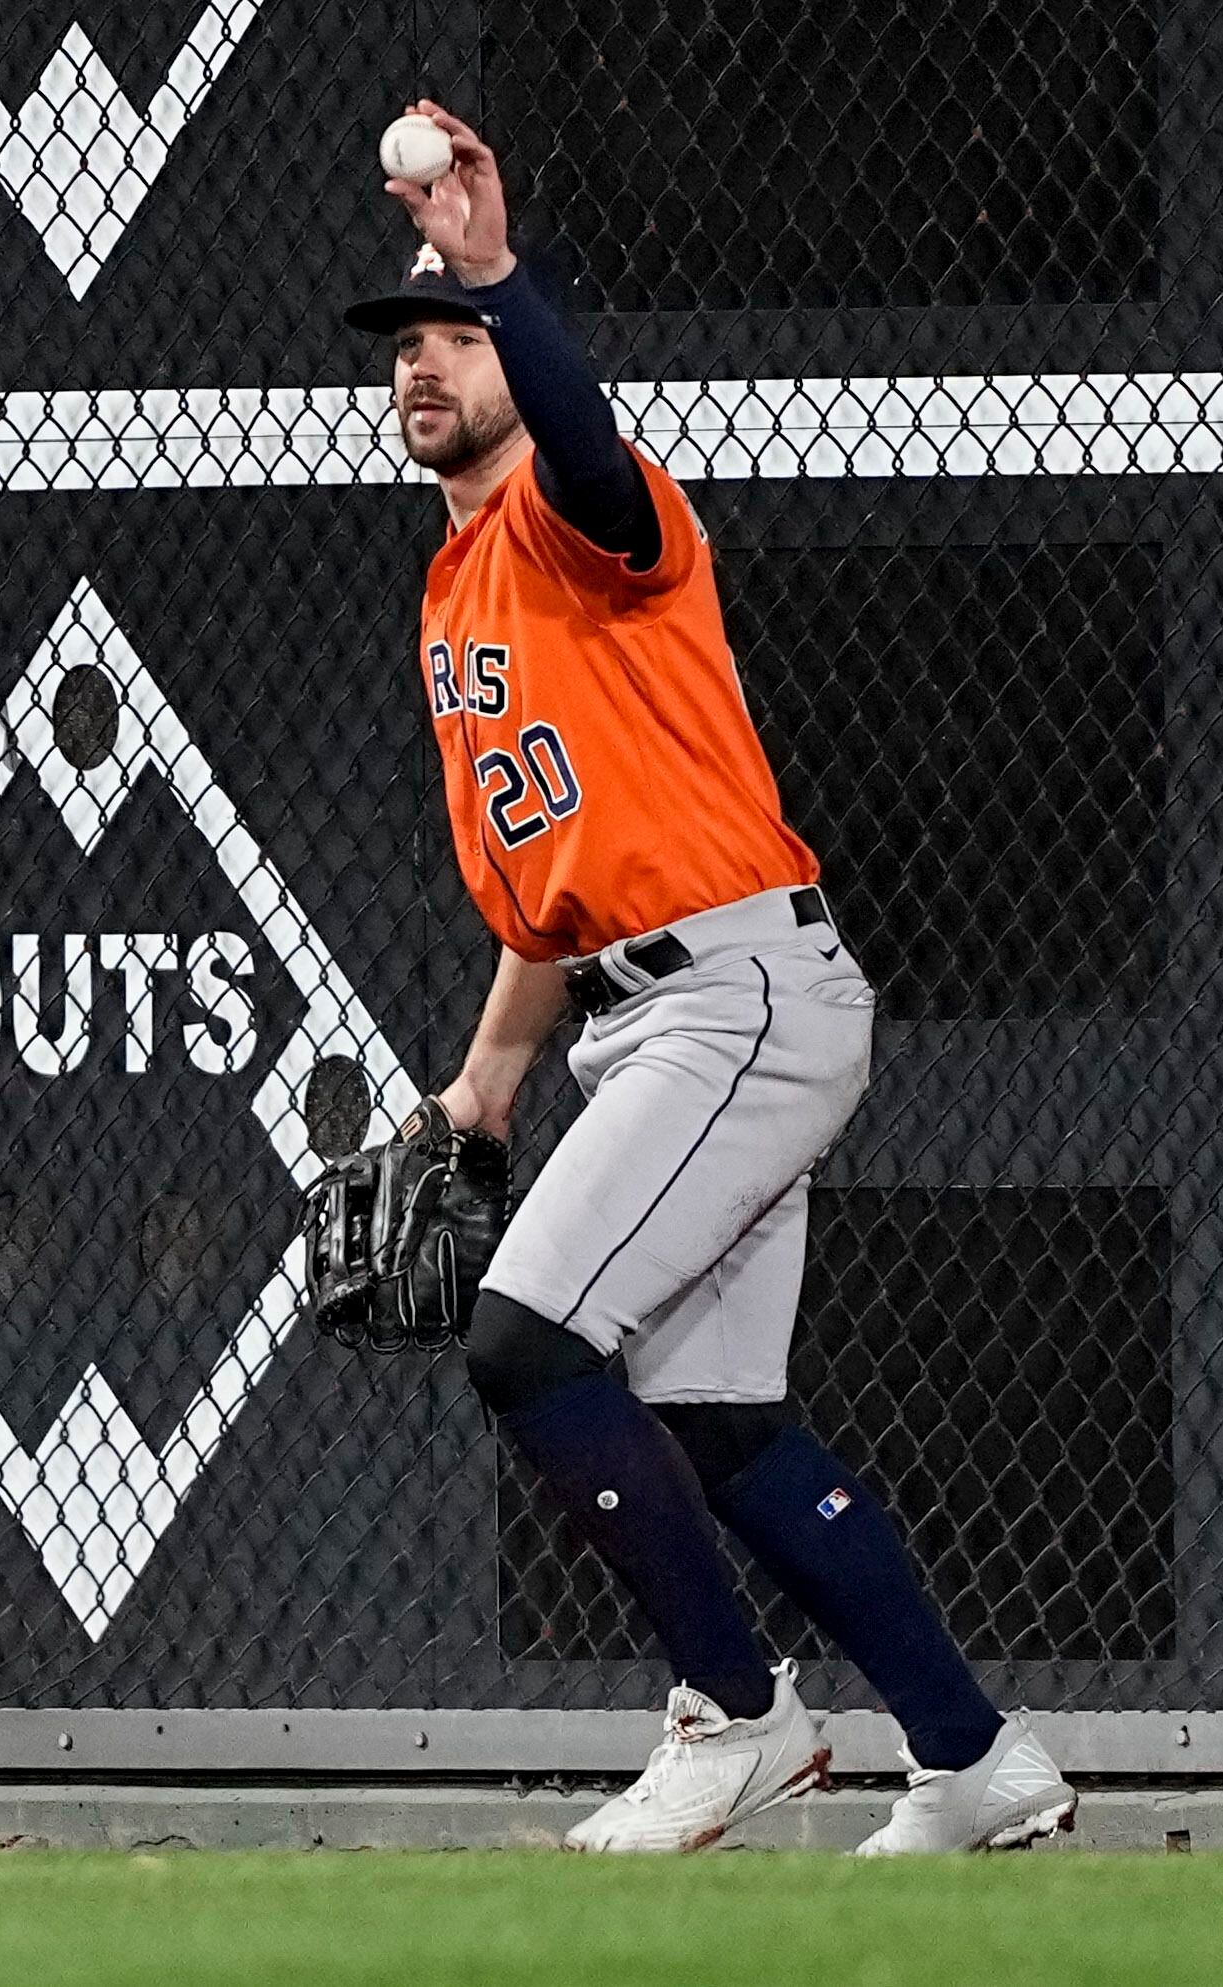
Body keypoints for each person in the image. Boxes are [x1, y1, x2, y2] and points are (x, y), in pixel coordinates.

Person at [342, 101, 1077, 1856]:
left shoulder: (598, 518)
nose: (424, 364)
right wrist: (482, 1090)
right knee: (724, 1416)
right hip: (653, 1001)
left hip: (738, 999)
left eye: (453, 338)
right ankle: (981, 1763)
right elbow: (553, 897)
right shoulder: (455, 594)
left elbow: (586, 441)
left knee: (527, 1342)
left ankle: (733, 1716)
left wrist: (503, 270)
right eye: (409, 343)